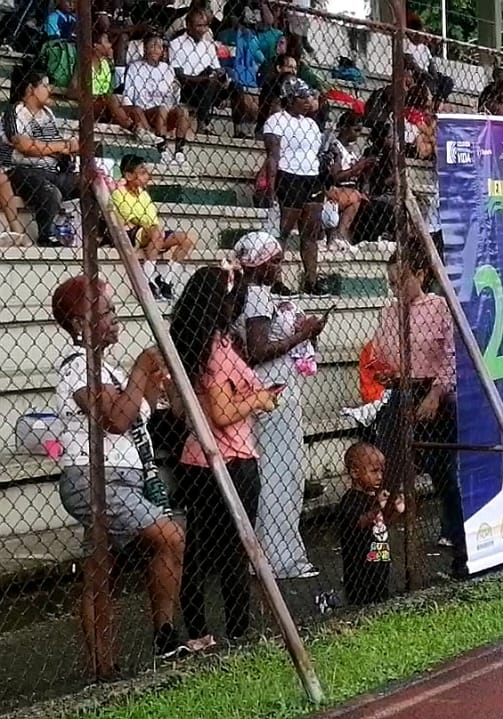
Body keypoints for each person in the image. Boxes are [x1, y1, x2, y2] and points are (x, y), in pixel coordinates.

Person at [51, 276, 192, 660]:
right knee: (171, 537)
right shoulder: (78, 367)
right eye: (106, 312)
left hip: (121, 480)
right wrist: (139, 371)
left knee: (99, 573)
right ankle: (164, 634)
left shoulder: (105, 367)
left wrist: (151, 379)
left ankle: (103, 666)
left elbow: (138, 410)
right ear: (80, 324)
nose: (115, 319)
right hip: (96, 479)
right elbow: (115, 419)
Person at [171, 266, 278, 647]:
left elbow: (185, 408)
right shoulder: (216, 349)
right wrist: (260, 399)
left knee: (199, 548)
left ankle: (198, 629)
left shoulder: (189, 344)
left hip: (195, 456)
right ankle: (237, 629)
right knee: (235, 548)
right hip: (230, 456)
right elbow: (221, 412)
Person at [233, 231, 322, 579]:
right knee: (280, 477)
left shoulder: (250, 294)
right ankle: (279, 558)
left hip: (271, 391)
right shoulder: (255, 296)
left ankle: (270, 552)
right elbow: (257, 351)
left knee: (276, 474)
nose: (280, 267)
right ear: (264, 264)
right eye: (276, 261)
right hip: (273, 392)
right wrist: (301, 334)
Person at [373, 244, 464, 575]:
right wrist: (387, 370)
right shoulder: (389, 311)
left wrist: (436, 393)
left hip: (431, 390)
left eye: (402, 281)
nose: (396, 289)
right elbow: (383, 350)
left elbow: (451, 354)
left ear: (420, 275)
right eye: (392, 283)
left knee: (443, 470)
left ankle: (456, 534)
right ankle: (380, 541)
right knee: (389, 466)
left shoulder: (439, 308)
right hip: (402, 388)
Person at [261, 77, 330, 295]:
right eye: (303, 97)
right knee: (282, 231)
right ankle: (275, 279)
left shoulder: (311, 123)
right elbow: (273, 156)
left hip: (311, 177)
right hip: (288, 175)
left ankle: (311, 280)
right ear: (290, 99)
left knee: (311, 232)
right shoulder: (276, 121)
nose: (309, 101)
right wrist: (271, 186)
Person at [2, 70, 79, 247]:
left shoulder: (48, 114)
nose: (49, 89)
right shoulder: (16, 111)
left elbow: (56, 146)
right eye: (44, 85)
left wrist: (66, 147)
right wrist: (62, 146)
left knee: (87, 183)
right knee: (50, 193)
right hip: (22, 171)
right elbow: (24, 146)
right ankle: (46, 235)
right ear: (31, 88)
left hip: (52, 170)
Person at [111, 154, 195, 300]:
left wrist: (151, 225)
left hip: (150, 232)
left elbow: (152, 217)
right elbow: (132, 217)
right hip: (130, 233)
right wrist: (150, 225)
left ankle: (165, 281)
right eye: (142, 173)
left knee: (185, 239)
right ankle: (146, 279)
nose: (147, 176)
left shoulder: (144, 195)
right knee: (155, 231)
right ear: (129, 175)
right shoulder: (119, 193)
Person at [337, 442, 403, 605]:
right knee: (362, 600)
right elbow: (359, 522)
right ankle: (332, 601)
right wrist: (377, 507)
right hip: (359, 566)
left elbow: (384, 523)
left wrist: (394, 510)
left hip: (379, 555)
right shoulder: (351, 499)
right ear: (355, 472)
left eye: (381, 470)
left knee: (380, 592)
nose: (380, 476)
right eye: (374, 471)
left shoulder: (375, 496)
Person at [170, 6, 252, 137]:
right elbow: (180, 76)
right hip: (188, 88)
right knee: (210, 81)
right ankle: (203, 124)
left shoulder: (208, 45)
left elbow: (216, 68)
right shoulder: (176, 44)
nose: (202, 30)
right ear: (188, 25)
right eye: (199, 26)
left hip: (209, 85)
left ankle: (239, 129)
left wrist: (222, 75)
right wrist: (206, 79)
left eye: (205, 26)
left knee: (235, 85)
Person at [123, 34, 192, 164]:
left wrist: (176, 90)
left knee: (183, 111)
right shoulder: (135, 67)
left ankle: (179, 151)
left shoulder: (168, 69)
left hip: (166, 109)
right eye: (152, 45)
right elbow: (129, 95)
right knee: (161, 109)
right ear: (145, 48)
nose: (156, 49)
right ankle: (162, 148)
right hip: (146, 111)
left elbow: (173, 99)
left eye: (159, 46)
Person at [322, 110, 372, 253]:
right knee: (355, 197)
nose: (358, 134)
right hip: (333, 189)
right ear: (344, 128)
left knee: (362, 198)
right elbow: (336, 176)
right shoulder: (335, 148)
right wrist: (358, 167)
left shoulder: (350, 150)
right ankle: (340, 235)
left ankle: (346, 236)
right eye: (355, 130)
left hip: (347, 189)